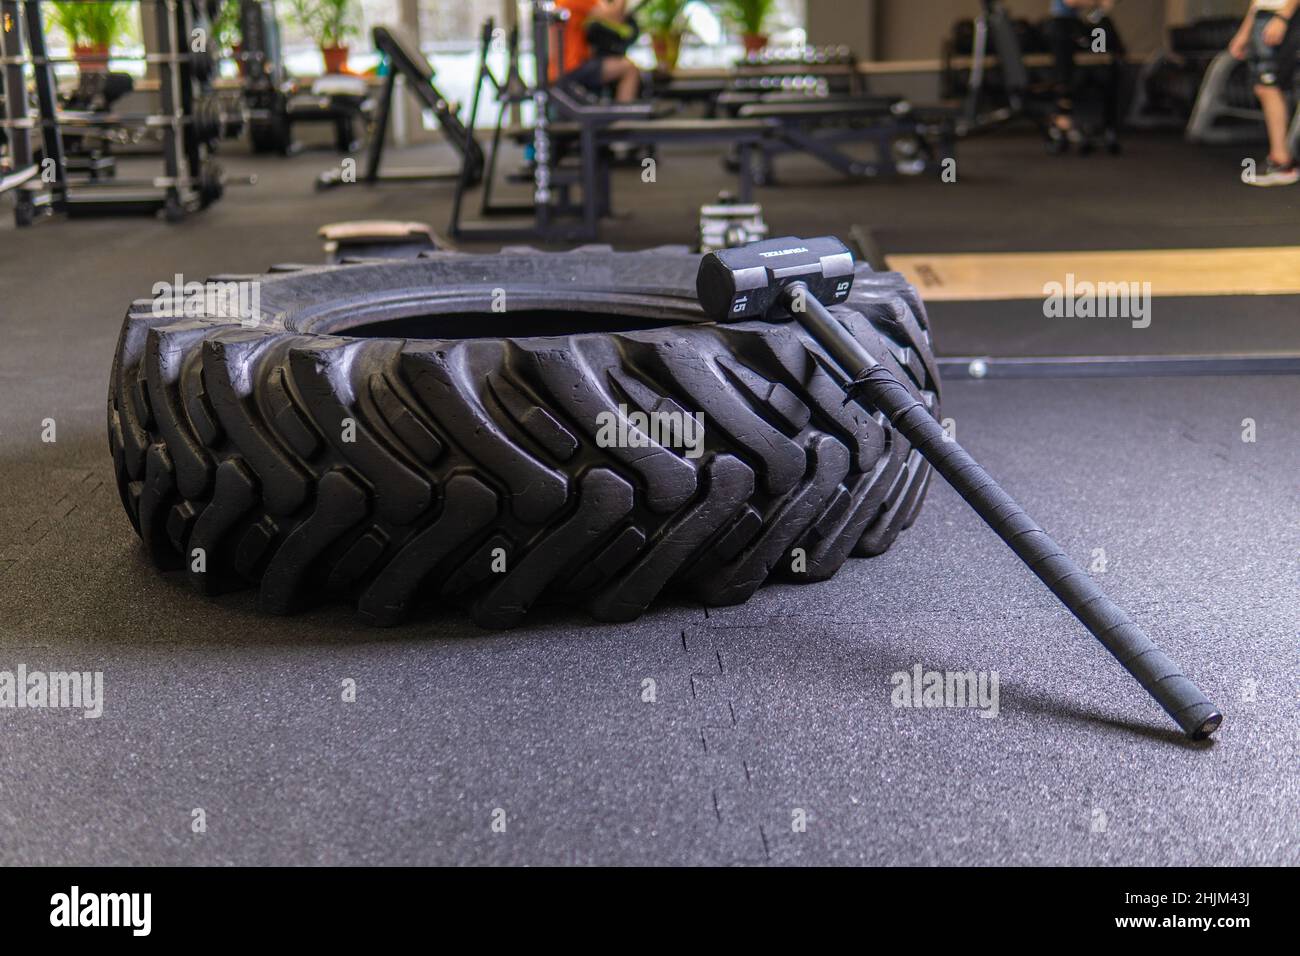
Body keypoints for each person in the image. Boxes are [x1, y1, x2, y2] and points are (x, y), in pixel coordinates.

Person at [1229, 0, 1299, 186]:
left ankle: (1281, 161)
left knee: (1269, 85)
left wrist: (1283, 17)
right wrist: (1244, 32)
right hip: (1266, 16)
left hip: (1284, 16)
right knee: (1264, 86)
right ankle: (1280, 158)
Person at [1046, 0, 1125, 154]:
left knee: (1103, 29)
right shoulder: (1060, 25)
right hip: (1064, 29)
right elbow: (1070, 2)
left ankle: (1107, 126)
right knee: (1062, 37)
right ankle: (1063, 116)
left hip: (1084, 30)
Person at [554, 0, 642, 103]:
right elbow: (615, 16)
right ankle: (625, 115)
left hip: (563, 66)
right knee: (629, 68)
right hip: (570, 66)